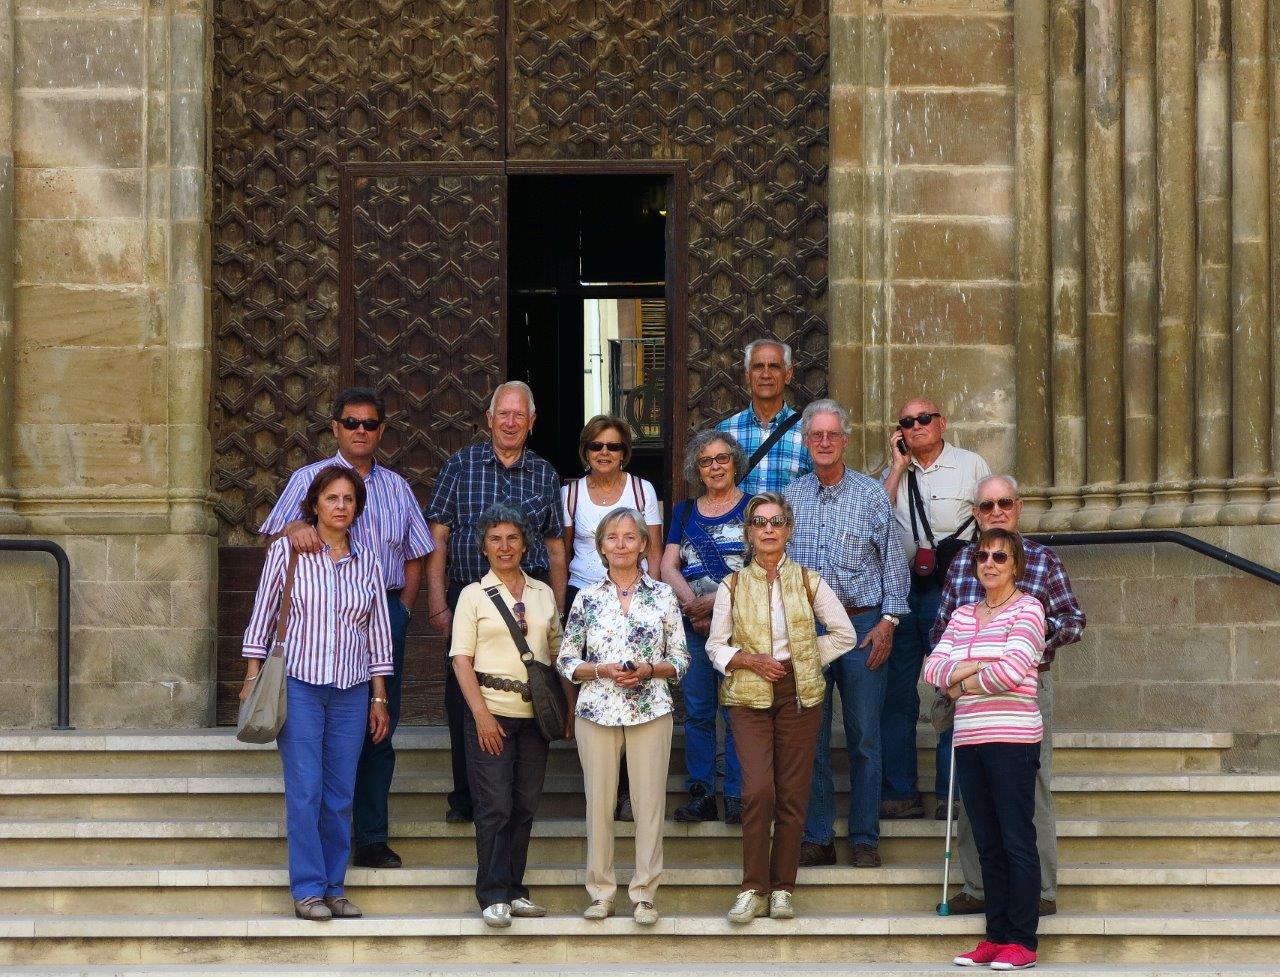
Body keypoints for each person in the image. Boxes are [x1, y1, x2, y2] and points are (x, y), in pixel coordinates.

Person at [259, 387, 432, 869]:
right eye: (351, 422)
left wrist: (402, 610)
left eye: (370, 424)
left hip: (379, 617)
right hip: (314, 629)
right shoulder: (307, 479)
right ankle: (318, 851)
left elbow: (416, 551)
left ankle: (371, 837)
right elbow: (274, 540)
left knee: (379, 730)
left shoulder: (397, 488)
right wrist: (294, 528)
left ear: (382, 431)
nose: (360, 431)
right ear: (335, 427)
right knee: (314, 746)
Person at [241, 465, 393, 920]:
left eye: (348, 500)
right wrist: (251, 675)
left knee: (340, 793)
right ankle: (307, 889)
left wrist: (379, 697)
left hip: (352, 689)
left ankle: (334, 886)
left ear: (357, 508)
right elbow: (264, 614)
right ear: (315, 504)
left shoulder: (368, 561)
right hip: (300, 685)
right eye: (332, 498)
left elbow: (377, 632)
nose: (340, 507)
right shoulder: (287, 551)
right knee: (306, 790)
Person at [932, 474, 1086, 918]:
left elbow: (1073, 621)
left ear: (1018, 508)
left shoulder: (1043, 560)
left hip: (1025, 692)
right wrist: (957, 673)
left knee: (1030, 790)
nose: (996, 512)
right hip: (968, 701)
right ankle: (978, 886)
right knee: (971, 792)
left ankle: (1041, 890)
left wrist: (1027, 640)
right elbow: (941, 629)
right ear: (975, 514)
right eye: (986, 506)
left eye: (1004, 503)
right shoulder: (963, 563)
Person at [706, 493, 856, 924]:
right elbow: (715, 646)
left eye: (776, 522)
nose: (768, 529)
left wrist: (804, 659)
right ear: (749, 533)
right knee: (757, 791)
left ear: (788, 530)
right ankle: (753, 888)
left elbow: (844, 634)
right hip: (748, 696)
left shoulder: (809, 580)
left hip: (799, 696)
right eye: (759, 522)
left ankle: (782, 889)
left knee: (792, 794)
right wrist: (749, 660)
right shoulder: (732, 585)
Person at [425, 381, 567, 824]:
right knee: (463, 694)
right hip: (469, 594)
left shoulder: (544, 473)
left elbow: (555, 547)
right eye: (502, 414)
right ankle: (466, 796)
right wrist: (438, 602)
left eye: (519, 415)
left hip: (529, 594)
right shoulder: (460, 466)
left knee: (530, 687)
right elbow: (438, 536)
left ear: (532, 422)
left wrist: (556, 610)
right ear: (489, 419)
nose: (510, 422)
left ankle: (518, 792)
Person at [784, 399, 910, 868]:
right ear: (805, 442)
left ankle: (864, 838)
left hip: (861, 627)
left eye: (831, 435)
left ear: (846, 440)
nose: (824, 442)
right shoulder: (789, 498)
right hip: (809, 629)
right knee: (811, 738)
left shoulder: (871, 494)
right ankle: (818, 836)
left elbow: (894, 561)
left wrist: (889, 621)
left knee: (864, 738)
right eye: (816, 435)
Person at [557, 508, 689, 926]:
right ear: (600, 546)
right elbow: (565, 659)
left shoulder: (663, 595)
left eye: (630, 537)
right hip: (596, 710)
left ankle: (645, 894)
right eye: (612, 537)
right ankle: (601, 893)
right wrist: (601, 670)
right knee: (599, 806)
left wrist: (649, 670)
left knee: (649, 805)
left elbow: (681, 659)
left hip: (651, 709)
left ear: (644, 545)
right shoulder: (586, 597)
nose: (621, 544)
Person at [923, 527, 1046, 972]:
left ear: (1016, 565)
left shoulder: (1029, 609)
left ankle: (1022, 941)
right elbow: (933, 668)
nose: (989, 564)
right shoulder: (961, 615)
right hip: (970, 740)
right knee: (988, 844)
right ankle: (996, 937)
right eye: (982, 556)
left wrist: (960, 684)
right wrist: (976, 665)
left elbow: (1012, 671)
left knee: (1016, 840)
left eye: (1000, 557)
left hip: (1012, 740)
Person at [450, 503, 569, 928]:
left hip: (535, 718)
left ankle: (516, 891)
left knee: (523, 806)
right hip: (492, 714)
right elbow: (461, 661)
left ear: (525, 544)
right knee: (495, 806)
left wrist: (568, 710)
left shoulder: (542, 593)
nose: (504, 546)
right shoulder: (472, 595)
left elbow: (558, 655)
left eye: (512, 538)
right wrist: (481, 716)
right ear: (483, 547)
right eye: (495, 539)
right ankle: (492, 893)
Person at [880, 396, 989, 820]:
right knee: (897, 694)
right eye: (907, 422)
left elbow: (992, 522)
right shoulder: (894, 470)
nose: (916, 426)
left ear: (941, 422)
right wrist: (897, 467)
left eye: (924, 418)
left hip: (955, 591)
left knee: (953, 689)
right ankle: (900, 792)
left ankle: (951, 793)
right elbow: (875, 517)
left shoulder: (970, 465)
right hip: (902, 591)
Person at [562, 416, 662, 823]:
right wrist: (560, 602)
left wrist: (655, 599)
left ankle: (626, 793)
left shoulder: (642, 489)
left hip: (636, 599)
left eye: (614, 446)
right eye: (596, 445)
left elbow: (655, 549)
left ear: (625, 452)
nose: (605, 453)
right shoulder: (570, 494)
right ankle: (599, 789)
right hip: (586, 598)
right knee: (597, 689)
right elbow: (562, 551)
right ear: (585, 451)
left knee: (631, 685)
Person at [659, 430, 750, 824]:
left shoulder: (753, 507)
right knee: (697, 711)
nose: (715, 467)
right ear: (696, 469)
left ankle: (737, 795)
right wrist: (691, 605)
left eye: (722, 458)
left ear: (735, 462)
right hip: (693, 626)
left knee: (736, 710)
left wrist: (716, 604)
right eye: (706, 461)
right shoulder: (684, 512)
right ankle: (702, 794)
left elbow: (762, 567)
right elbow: (667, 565)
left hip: (739, 628)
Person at [716, 339, 812, 496]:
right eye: (758, 367)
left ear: (788, 375)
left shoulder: (809, 431)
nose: (766, 374)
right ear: (747, 375)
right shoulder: (725, 431)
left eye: (774, 366)